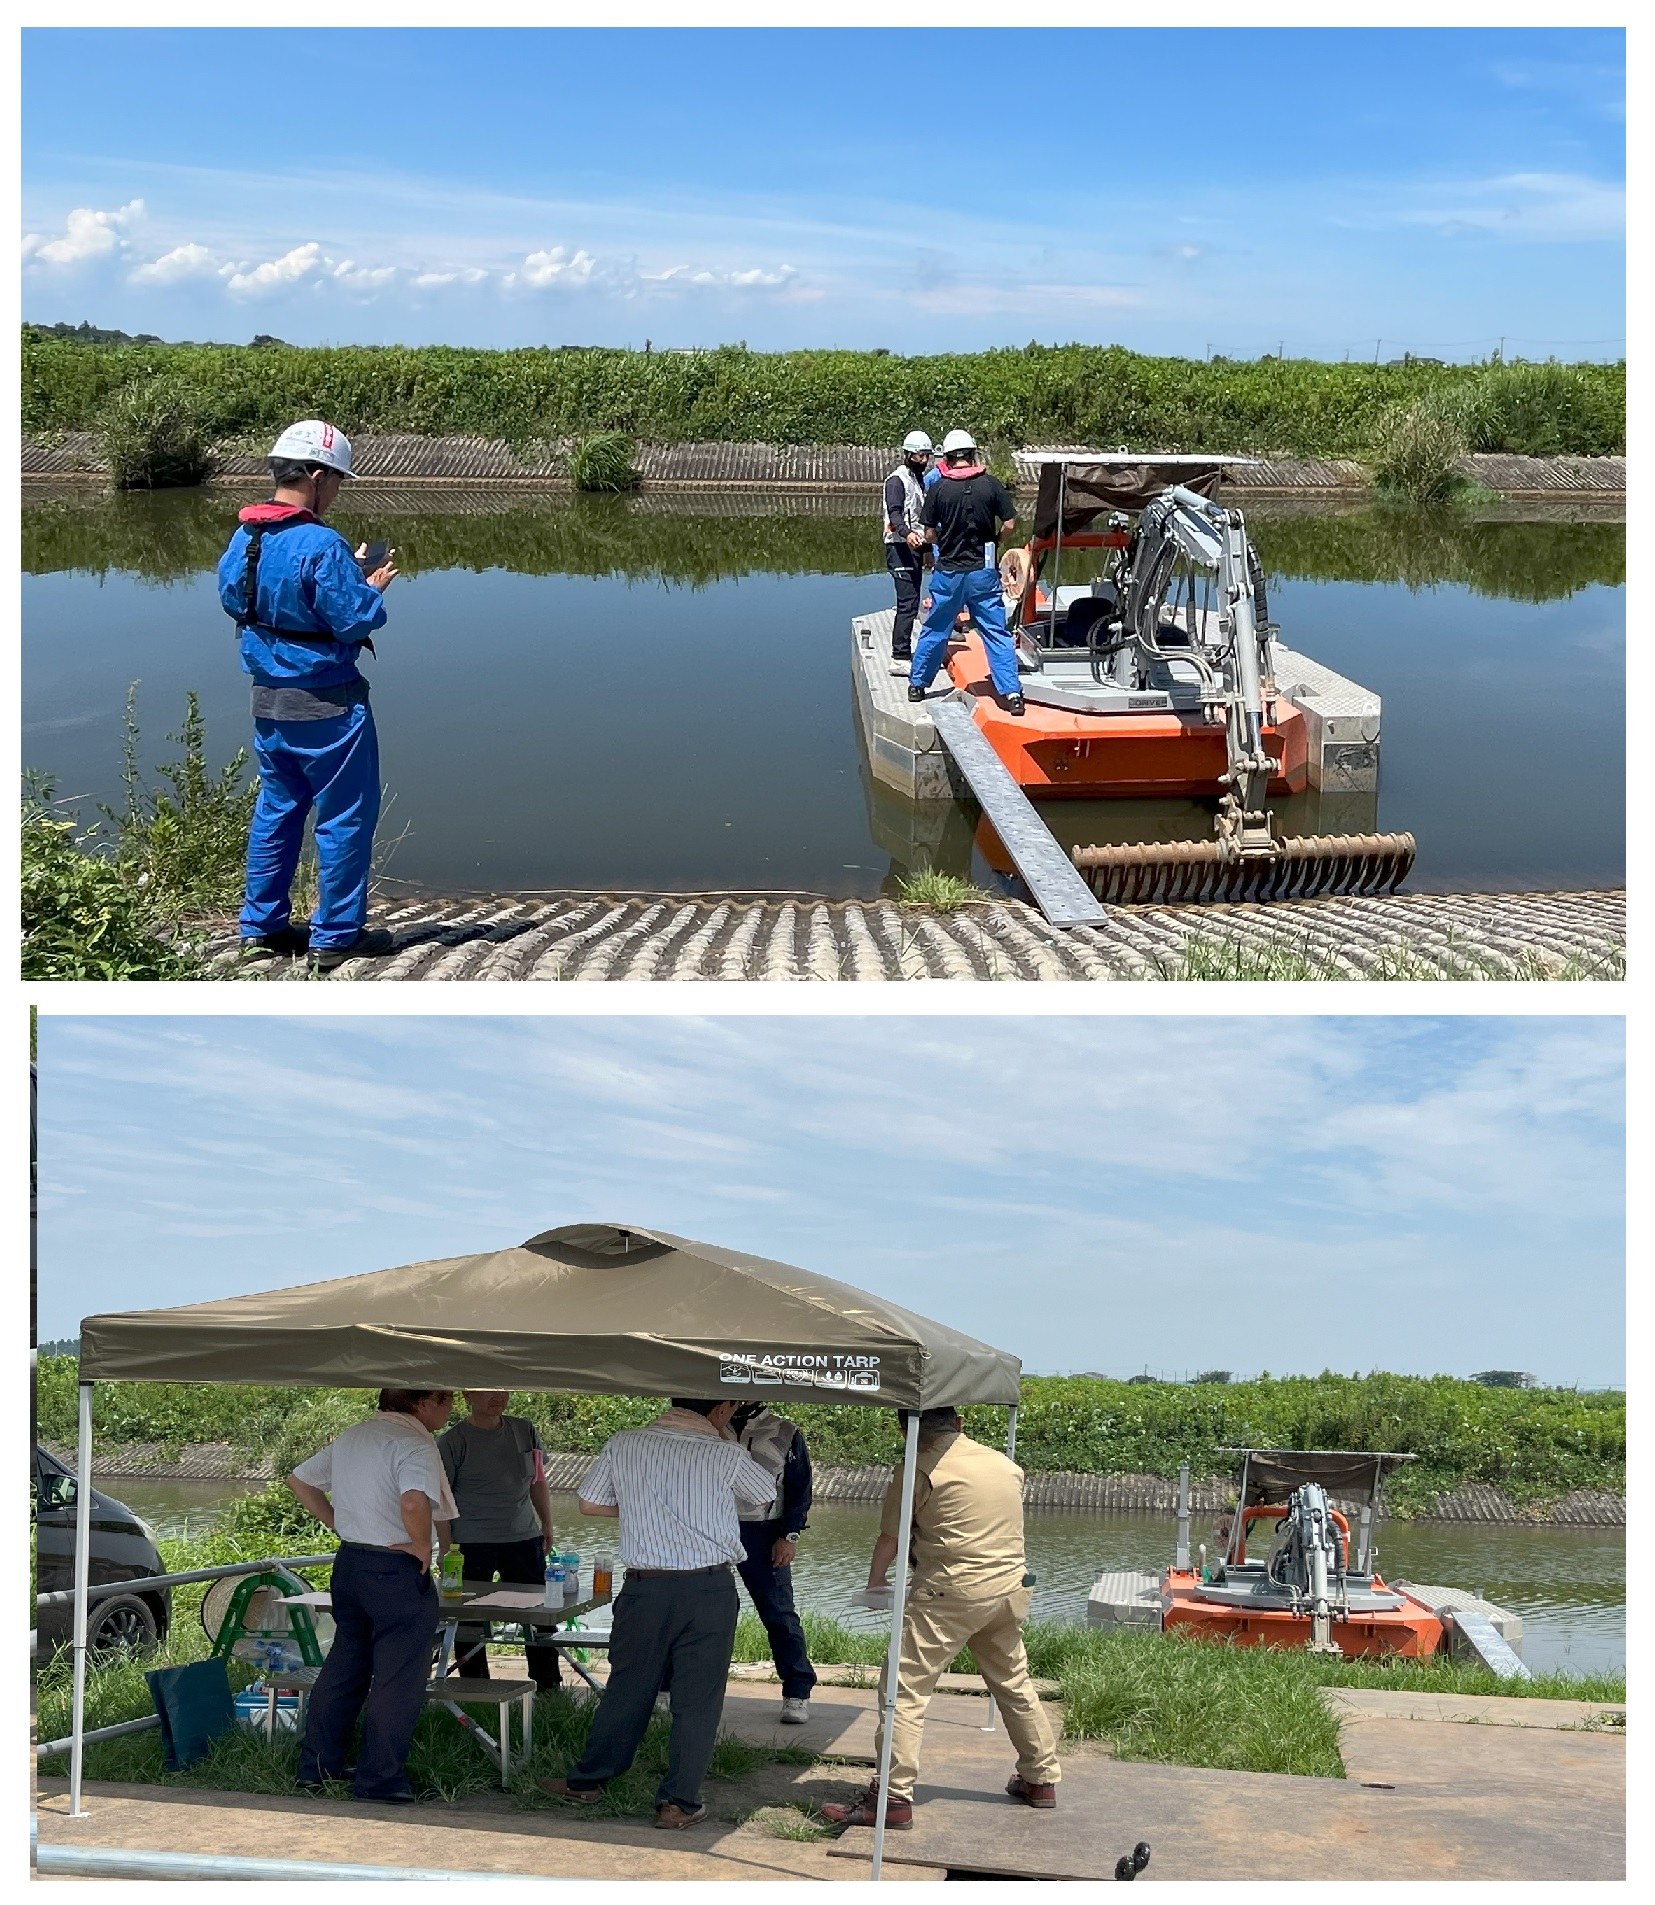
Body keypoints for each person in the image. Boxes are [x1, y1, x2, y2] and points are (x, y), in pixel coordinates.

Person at [538, 1398, 776, 1829]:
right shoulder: (724, 1452)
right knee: (698, 1699)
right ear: (721, 1409)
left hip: (645, 1586)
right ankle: (678, 1804)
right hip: (708, 1587)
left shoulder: (625, 1442)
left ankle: (588, 1781)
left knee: (629, 1686)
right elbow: (764, 1496)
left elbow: (589, 1503)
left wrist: (643, 1507)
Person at [820, 1406, 1060, 1830]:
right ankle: (1040, 1779)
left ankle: (891, 1798)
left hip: (952, 1593)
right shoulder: (1004, 1464)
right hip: (1009, 1590)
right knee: (1013, 1682)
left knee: (903, 1689)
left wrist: (875, 1582)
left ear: (905, 1429)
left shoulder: (917, 1468)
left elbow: (891, 1536)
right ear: (960, 1425)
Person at [217, 419, 400, 972]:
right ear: (316, 476)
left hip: (268, 702)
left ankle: (262, 928)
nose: (338, 489)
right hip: (329, 706)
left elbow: (234, 599)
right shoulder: (322, 542)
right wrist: (369, 586)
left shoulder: (246, 535)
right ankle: (336, 935)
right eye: (338, 480)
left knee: (276, 812)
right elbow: (356, 620)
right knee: (344, 817)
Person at [285, 1387, 457, 1803]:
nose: (453, 1408)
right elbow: (415, 1502)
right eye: (447, 1399)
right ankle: (380, 1779)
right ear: (422, 1403)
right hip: (394, 1568)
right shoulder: (414, 1443)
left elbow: (299, 1480)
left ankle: (316, 1769)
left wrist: (336, 1523)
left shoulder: (353, 1436)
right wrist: (421, 1546)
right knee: (398, 1677)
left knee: (346, 1665)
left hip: (351, 1563)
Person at [438, 1390, 561, 1692]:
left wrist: (546, 1522)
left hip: (523, 1537)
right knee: (469, 1618)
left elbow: (538, 1479)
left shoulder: (523, 1429)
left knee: (539, 1614)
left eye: (503, 1390)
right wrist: (445, 1548)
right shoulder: (453, 1440)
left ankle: (548, 1684)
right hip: (471, 1542)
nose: (497, 1397)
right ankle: (473, 1685)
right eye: (488, 1391)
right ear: (467, 1394)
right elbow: (440, 1500)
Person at [908, 430, 1024, 716]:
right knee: (996, 632)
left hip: (949, 572)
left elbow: (930, 533)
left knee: (937, 627)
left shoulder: (938, 489)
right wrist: (997, 541)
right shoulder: (991, 485)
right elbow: (1010, 523)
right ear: (973, 454)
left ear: (947, 458)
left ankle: (917, 685)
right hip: (983, 572)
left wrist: (939, 540)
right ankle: (1011, 694)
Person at [728, 1401, 816, 1723]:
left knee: (778, 1613)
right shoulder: (710, 1424)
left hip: (765, 1533)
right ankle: (674, 1687)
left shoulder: (785, 1431)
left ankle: (797, 1692)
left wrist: (789, 1536)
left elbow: (800, 1488)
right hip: (711, 1528)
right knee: (704, 1608)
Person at [883, 431, 934, 674]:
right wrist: (906, 533)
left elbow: (920, 519)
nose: (923, 460)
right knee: (908, 603)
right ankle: (899, 656)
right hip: (899, 546)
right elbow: (895, 513)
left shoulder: (918, 480)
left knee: (913, 600)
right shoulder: (897, 481)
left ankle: (904, 650)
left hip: (915, 546)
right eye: (919, 455)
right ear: (908, 454)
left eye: (926, 456)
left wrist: (927, 550)